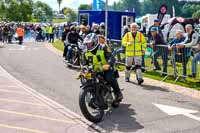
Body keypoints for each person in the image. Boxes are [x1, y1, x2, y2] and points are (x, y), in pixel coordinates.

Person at [83, 33, 123, 101]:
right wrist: (84, 69)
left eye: (90, 43)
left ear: (95, 42)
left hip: (106, 69)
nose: (88, 45)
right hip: (94, 70)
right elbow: (85, 63)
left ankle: (118, 93)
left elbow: (111, 57)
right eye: (87, 43)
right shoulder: (85, 52)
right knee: (86, 79)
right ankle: (91, 94)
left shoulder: (103, 47)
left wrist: (108, 64)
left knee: (109, 78)